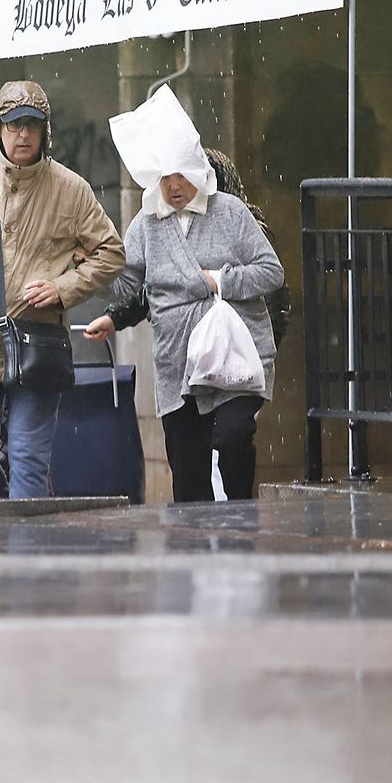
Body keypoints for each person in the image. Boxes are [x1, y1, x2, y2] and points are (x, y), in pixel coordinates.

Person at [0, 80, 125, 499]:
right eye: (14, 125)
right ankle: (6, 518)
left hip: (37, 345)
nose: (23, 135)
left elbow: (111, 253)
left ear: (45, 131)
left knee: (28, 461)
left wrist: (62, 287)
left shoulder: (71, 189)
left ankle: (25, 557)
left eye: (32, 125)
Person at [84, 87, 283, 503]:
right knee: (188, 475)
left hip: (234, 355)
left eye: (181, 175)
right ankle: (192, 554)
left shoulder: (230, 212)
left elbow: (272, 272)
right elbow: (130, 285)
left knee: (232, 438)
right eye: (164, 177)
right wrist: (93, 267)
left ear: (197, 171)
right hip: (177, 364)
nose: (174, 187)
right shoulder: (145, 224)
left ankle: (241, 520)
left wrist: (220, 282)